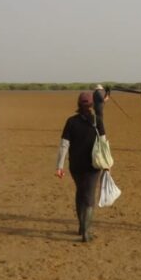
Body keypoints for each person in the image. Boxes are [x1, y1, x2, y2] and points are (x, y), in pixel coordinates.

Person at [55, 91, 104, 242]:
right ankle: (86, 232)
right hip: (93, 166)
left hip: (75, 166)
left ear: (78, 104)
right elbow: (103, 144)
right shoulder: (98, 120)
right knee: (89, 197)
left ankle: (82, 226)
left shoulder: (71, 121)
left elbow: (64, 145)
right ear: (92, 104)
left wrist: (59, 166)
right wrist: (107, 164)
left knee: (80, 192)